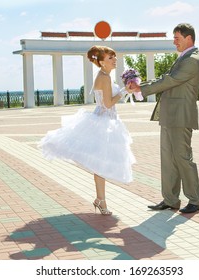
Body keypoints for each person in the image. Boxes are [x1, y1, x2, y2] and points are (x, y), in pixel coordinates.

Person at [38, 45, 135, 216]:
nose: (115, 60)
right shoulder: (104, 77)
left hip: (108, 121)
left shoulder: (104, 76)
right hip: (104, 122)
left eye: (114, 57)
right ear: (102, 62)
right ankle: (101, 200)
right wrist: (124, 91)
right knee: (100, 163)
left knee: (100, 163)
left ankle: (100, 199)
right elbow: (107, 104)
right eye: (110, 58)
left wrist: (124, 91)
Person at [128, 23, 199, 214]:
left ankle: (196, 199)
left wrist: (141, 89)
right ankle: (170, 200)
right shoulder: (183, 58)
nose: (174, 42)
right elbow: (167, 78)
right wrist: (141, 86)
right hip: (170, 116)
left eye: (177, 38)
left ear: (189, 38)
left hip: (181, 117)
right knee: (168, 160)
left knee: (183, 158)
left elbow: (169, 81)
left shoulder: (193, 60)